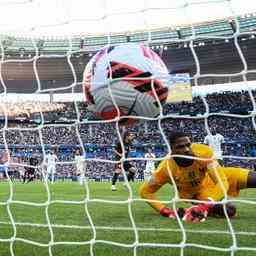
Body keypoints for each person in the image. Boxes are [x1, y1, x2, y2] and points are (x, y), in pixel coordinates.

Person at [140, 131, 256, 223]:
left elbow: (222, 180)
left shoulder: (203, 152)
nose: (186, 149)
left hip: (217, 176)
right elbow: (145, 192)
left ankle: (206, 206)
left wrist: (206, 206)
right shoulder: (165, 169)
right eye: (180, 147)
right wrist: (166, 211)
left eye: (188, 145)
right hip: (198, 192)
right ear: (171, 149)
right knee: (229, 210)